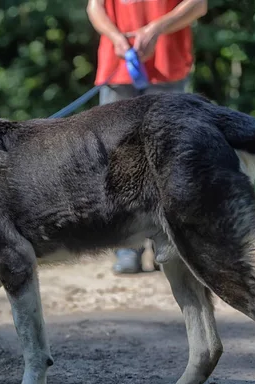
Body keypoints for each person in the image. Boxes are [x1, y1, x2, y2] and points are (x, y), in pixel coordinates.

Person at [86, 0, 208, 274]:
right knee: (117, 164)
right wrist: (116, 37)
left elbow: (199, 5)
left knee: (169, 163)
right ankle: (127, 247)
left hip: (168, 69)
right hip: (118, 69)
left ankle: (169, 245)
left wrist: (156, 29)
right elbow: (95, 8)